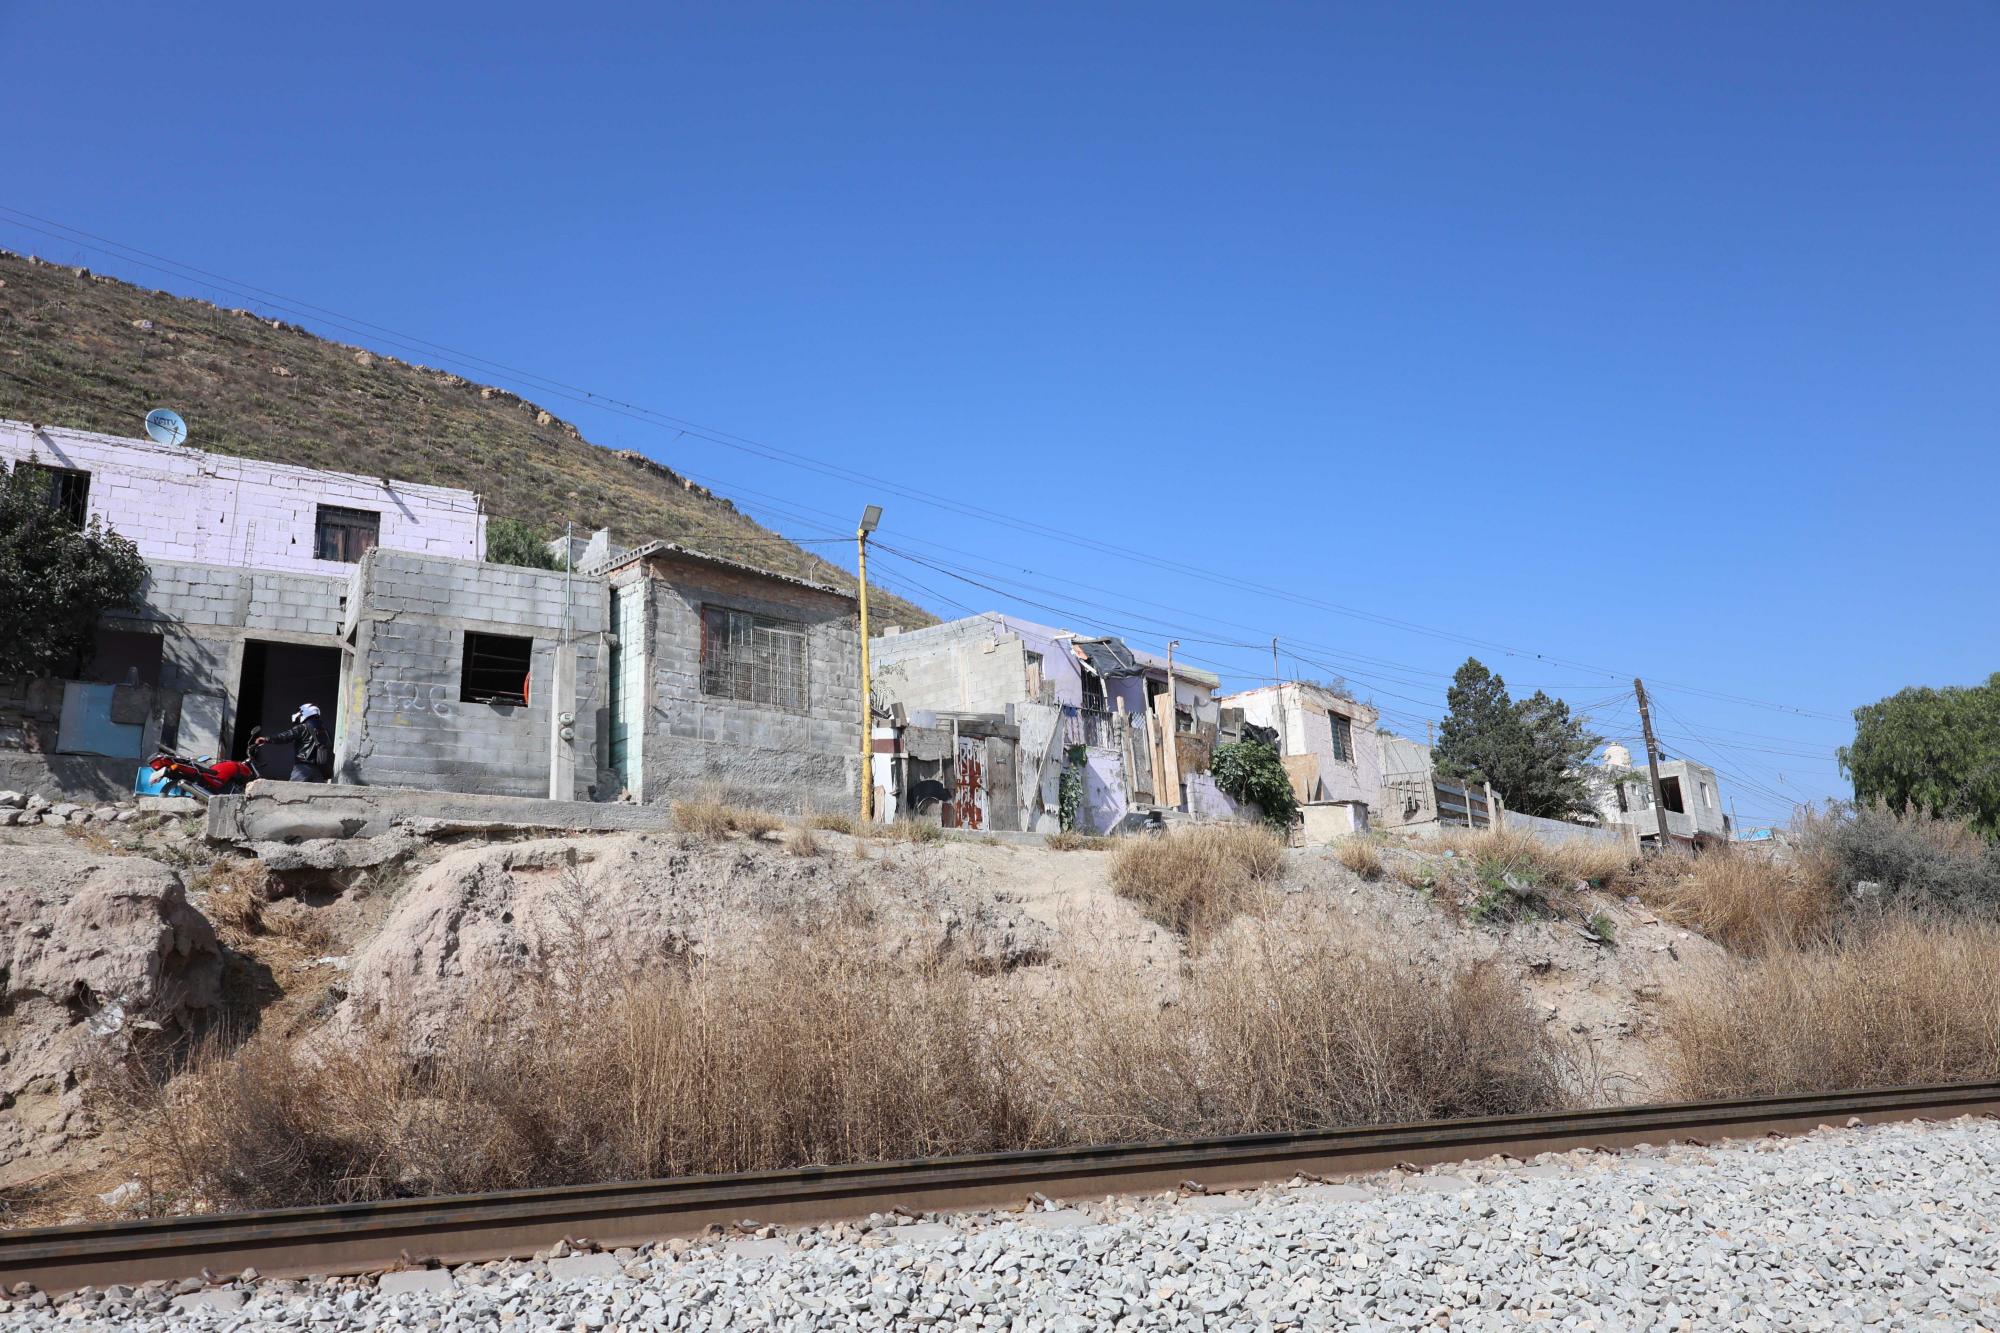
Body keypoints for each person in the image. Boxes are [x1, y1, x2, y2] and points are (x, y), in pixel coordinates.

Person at [255, 703, 332, 784]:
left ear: (304, 713)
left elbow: (285, 736)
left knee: (290, 793)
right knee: (317, 795)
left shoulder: (303, 727)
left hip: (303, 768)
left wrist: (266, 739)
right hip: (320, 771)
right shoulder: (325, 731)